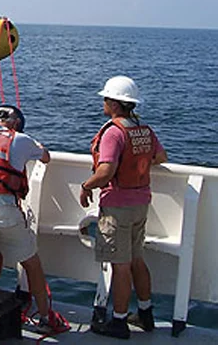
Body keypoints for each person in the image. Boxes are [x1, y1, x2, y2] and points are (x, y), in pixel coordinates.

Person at [0, 104, 66, 334]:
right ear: (16, 123)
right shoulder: (22, 140)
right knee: (31, 263)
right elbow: (45, 157)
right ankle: (46, 316)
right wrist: (35, 145)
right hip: (5, 214)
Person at [80, 76, 168, 339]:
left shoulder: (114, 132)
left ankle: (118, 322)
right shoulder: (143, 130)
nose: (104, 103)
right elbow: (161, 157)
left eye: (106, 99)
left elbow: (106, 171)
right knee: (136, 259)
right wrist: (136, 166)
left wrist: (86, 186)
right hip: (141, 202)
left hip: (118, 207)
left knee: (120, 266)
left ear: (115, 104)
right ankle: (145, 313)